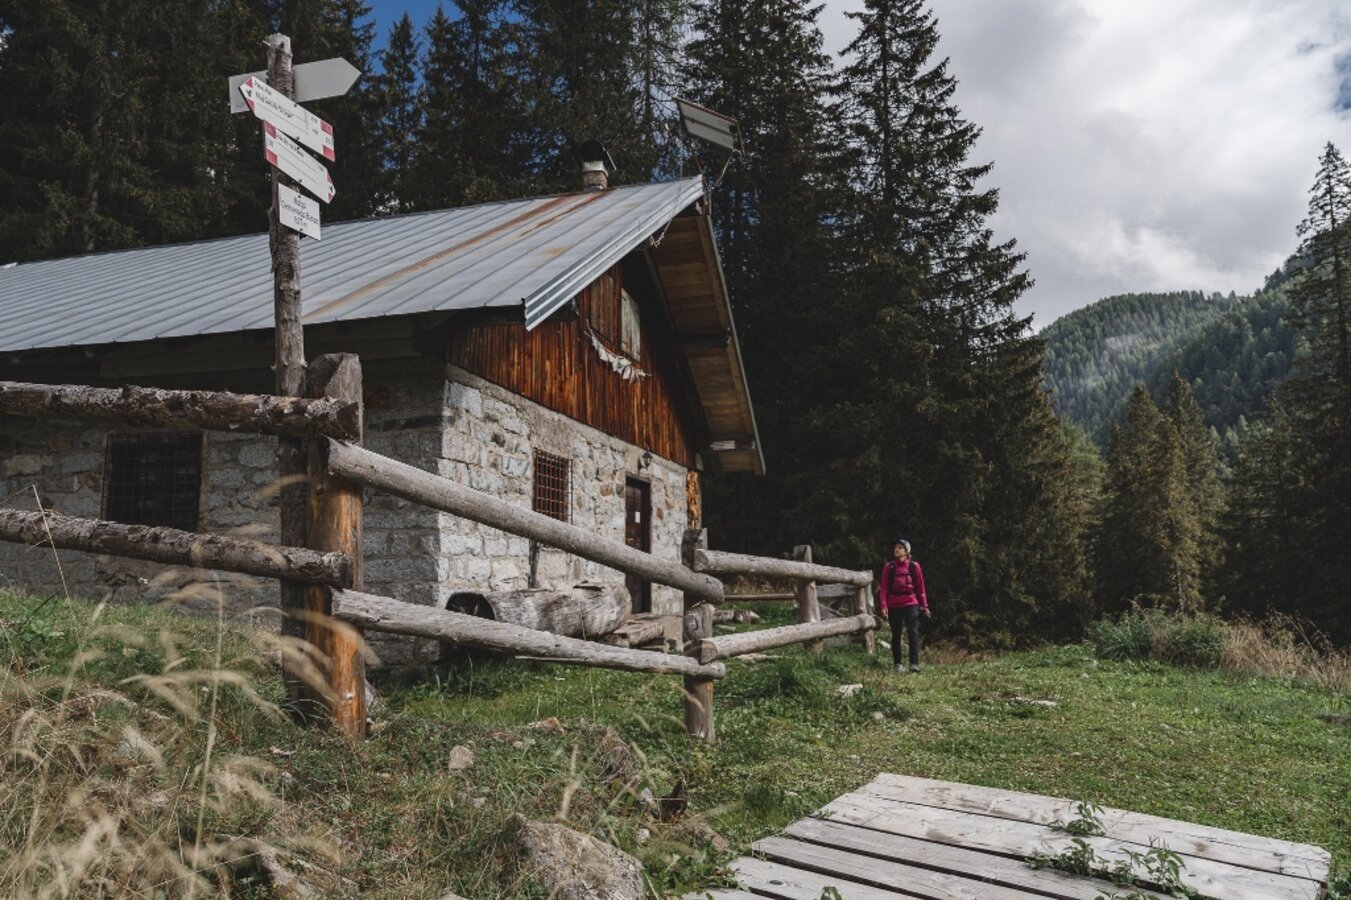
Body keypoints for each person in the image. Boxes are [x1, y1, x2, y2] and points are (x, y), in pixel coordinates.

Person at [879, 539, 929, 673]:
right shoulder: (889, 567)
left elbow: (920, 588)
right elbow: (883, 588)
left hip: (911, 603)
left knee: (913, 632)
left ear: (906, 551)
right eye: (896, 547)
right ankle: (898, 664)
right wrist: (884, 606)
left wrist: (924, 606)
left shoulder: (914, 567)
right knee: (896, 634)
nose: (896, 549)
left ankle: (914, 664)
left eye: (900, 547)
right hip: (894, 604)